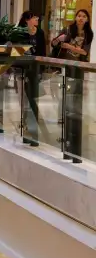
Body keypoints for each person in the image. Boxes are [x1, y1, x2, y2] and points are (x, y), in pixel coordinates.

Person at [52, 9, 92, 162]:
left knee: (77, 94)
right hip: (67, 66)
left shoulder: (89, 34)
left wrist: (70, 47)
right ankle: (64, 116)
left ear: (87, 19)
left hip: (80, 67)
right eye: (79, 16)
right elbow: (54, 43)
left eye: (84, 16)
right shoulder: (68, 29)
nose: (81, 18)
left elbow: (84, 52)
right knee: (67, 92)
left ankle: (74, 119)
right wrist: (59, 40)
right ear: (75, 18)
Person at [17, 11, 47, 146]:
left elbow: (43, 53)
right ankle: (27, 129)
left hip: (35, 71)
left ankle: (33, 134)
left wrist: (42, 69)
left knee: (33, 100)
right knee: (24, 101)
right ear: (27, 20)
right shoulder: (20, 33)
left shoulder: (40, 33)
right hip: (22, 71)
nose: (37, 19)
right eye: (34, 17)